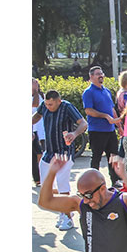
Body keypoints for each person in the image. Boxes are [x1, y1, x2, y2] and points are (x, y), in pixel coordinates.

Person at [31, 90, 88, 230]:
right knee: (46, 187)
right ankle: (68, 205)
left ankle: (66, 217)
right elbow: (36, 117)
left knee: (63, 186)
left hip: (64, 153)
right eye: (47, 104)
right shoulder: (44, 106)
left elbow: (83, 123)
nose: (48, 107)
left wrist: (74, 134)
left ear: (59, 101)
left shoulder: (67, 107)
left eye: (51, 104)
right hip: (49, 152)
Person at [82, 66, 123, 188]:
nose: (101, 76)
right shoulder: (88, 92)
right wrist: (105, 116)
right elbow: (88, 110)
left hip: (110, 130)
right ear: (91, 77)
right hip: (97, 130)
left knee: (114, 157)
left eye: (102, 73)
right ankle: (93, 182)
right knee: (96, 157)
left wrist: (119, 126)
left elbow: (112, 110)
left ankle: (115, 180)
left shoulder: (106, 91)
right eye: (97, 74)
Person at [32, 78, 45, 187]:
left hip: (39, 128)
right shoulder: (34, 95)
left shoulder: (40, 94)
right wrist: (35, 91)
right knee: (36, 153)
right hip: (32, 128)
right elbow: (35, 104)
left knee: (39, 153)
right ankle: (38, 178)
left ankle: (39, 177)